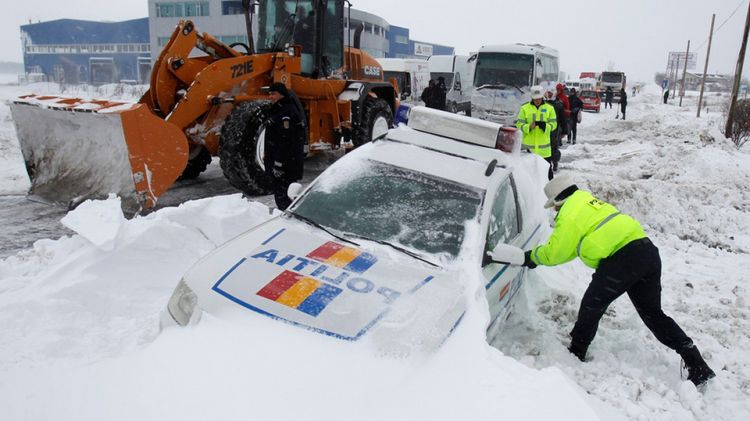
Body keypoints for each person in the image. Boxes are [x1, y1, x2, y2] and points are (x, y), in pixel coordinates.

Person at [522, 174, 716, 387]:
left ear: (558, 202)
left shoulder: (570, 213)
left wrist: (530, 258)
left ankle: (576, 352)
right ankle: (697, 365)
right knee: (654, 314)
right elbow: (570, 248)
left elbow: (556, 252)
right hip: (647, 252)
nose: (554, 211)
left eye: (554, 207)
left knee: (592, 305)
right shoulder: (589, 202)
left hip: (622, 259)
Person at [265, 82, 306, 210]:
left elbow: (286, 141)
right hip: (285, 162)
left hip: (286, 165)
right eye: (269, 94)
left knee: (284, 197)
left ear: (281, 94)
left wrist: (279, 163)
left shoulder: (286, 113)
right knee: (284, 194)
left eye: (273, 94)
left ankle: (288, 221)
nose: (270, 96)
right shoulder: (280, 109)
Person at [516, 85, 557, 180]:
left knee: (547, 175)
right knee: (527, 176)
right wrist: (528, 127)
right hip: (528, 150)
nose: (537, 101)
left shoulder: (549, 108)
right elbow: (519, 124)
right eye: (535, 99)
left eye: (539, 98)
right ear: (531, 97)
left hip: (544, 151)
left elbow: (554, 124)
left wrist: (545, 126)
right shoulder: (524, 108)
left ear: (542, 97)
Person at [544, 90, 563, 171]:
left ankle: (552, 164)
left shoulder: (545, 104)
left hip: (552, 130)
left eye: (550, 94)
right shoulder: (558, 104)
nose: (549, 95)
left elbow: (563, 119)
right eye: (548, 93)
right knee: (552, 147)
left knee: (551, 147)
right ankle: (553, 163)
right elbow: (563, 119)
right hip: (551, 130)